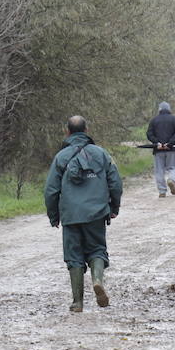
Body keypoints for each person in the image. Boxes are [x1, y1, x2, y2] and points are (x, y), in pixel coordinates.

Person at [45, 115, 122, 313]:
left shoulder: (61, 157)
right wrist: (114, 207)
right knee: (97, 249)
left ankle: (77, 302)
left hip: (70, 215)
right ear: (87, 130)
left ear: (67, 132)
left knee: (74, 256)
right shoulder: (102, 154)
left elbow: (51, 190)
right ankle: (97, 280)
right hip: (96, 213)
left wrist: (54, 216)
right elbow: (115, 183)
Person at [146, 101, 175, 198]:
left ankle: (162, 191)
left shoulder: (154, 120)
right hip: (172, 149)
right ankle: (171, 179)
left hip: (158, 150)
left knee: (159, 171)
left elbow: (149, 134)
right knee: (173, 168)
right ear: (169, 109)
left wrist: (158, 143)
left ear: (159, 110)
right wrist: (169, 144)